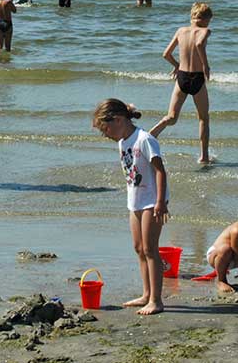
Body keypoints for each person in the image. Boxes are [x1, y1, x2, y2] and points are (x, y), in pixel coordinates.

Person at [92, 99, 169, 315]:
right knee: (139, 248)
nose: (105, 135)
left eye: (105, 129)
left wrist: (161, 202)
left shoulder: (144, 139)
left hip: (153, 200)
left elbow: (161, 171)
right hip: (135, 199)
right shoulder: (123, 142)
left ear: (118, 120)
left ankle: (156, 300)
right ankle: (146, 294)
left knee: (150, 249)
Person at [150, 2, 213, 163]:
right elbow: (199, 44)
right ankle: (204, 156)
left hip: (182, 77)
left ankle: (153, 133)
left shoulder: (181, 31)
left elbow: (166, 54)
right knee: (203, 119)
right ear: (206, 19)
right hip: (197, 77)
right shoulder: (205, 31)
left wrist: (177, 65)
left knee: (171, 117)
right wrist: (206, 65)